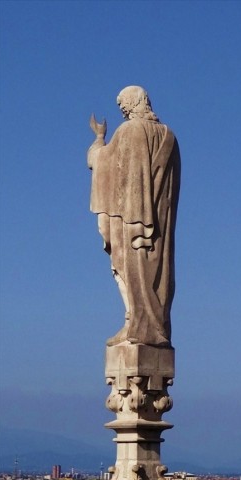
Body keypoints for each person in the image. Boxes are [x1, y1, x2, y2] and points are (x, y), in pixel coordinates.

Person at [88, 86, 181, 347]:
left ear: (131, 104)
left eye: (123, 106)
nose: (123, 111)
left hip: (131, 216)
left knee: (127, 265)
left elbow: (101, 162)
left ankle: (136, 324)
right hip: (160, 223)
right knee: (158, 273)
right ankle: (153, 326)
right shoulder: (169, 137)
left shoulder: (129, 131)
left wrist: (99, 138)